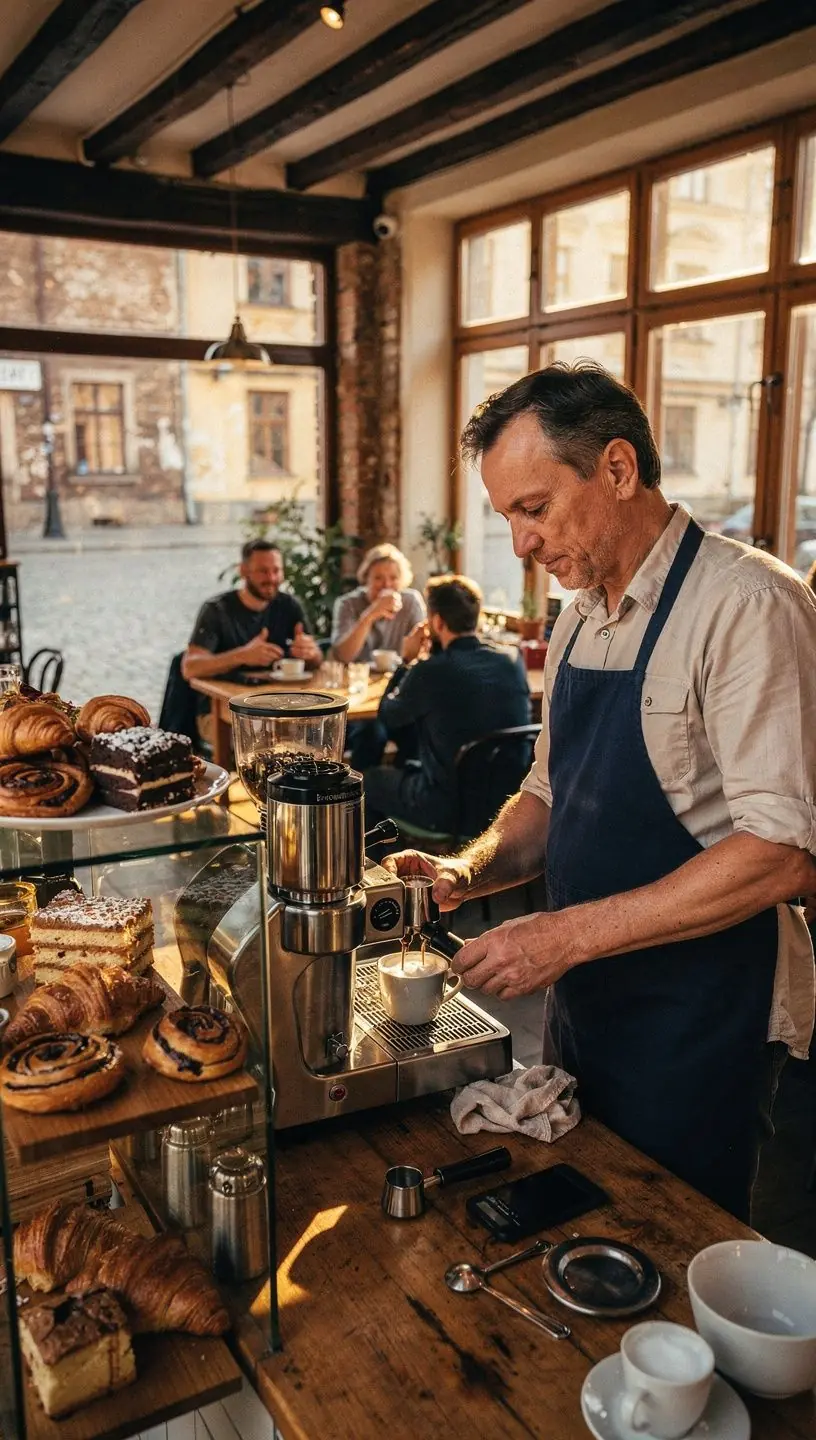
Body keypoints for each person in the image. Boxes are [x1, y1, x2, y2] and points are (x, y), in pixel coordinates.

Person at [385, 362, 816, 1221]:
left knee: (693, 1262)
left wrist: (565, 935)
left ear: (618, 470)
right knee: (599, 1237)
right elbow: (549, 792)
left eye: (533, 509)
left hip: (708, 1023)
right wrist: (468, 872)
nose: (520, 544)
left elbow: (782, 854)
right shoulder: (580, 610)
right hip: (590, 1006)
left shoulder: (747, 603)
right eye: (507, 516)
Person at [364, 575, 530, 835]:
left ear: (437, 621)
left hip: (447, 810)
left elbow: (388, 716)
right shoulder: (512, 658)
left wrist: (406, 661)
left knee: (368, 781)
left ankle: (379, 868)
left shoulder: (429, 671)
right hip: (505, 802)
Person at [332, 543, 426, 769]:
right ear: (365, 579)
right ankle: (363, 797)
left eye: (393, 578)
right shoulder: (348, 604)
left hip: (397, 694)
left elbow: (423, 650)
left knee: (419, 732)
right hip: (359, 700)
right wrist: (371, 614)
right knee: (371, 734)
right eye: (378, 578)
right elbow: (343, 655)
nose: (387, 585)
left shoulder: (411, 601)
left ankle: (404, 793)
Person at [182, 538, 322, 685]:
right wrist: (242, 656)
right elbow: (190, 668)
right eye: (263, 571)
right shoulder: (216, 610)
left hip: (278, 698)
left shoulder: (290, 605)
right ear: (243, 571)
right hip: (225, 701)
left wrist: (310, 654)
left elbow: (317, 660)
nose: (271, 578)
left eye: (276, 570)